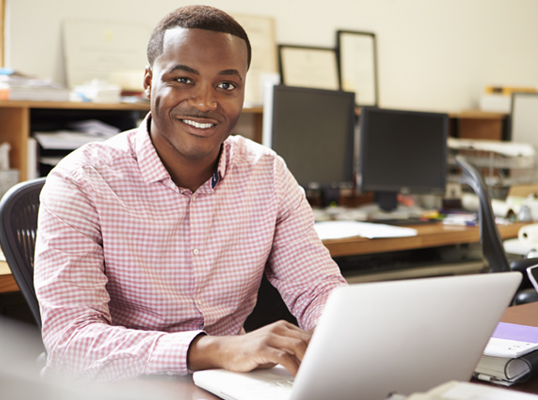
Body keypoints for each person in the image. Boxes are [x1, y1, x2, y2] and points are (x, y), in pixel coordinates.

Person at [34, 5, 347, 382]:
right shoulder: (81, 181)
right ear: (149, 81)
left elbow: (317, 289)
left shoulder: (267, 174)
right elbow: (71, 342)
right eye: (183, 79)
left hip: (228, 382)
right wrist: (215, 349)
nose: (205, 102)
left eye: (226, 85)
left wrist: (339, 335)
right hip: (118, 386)